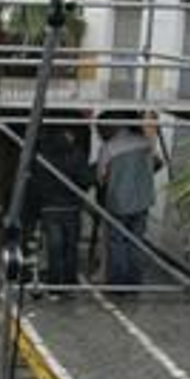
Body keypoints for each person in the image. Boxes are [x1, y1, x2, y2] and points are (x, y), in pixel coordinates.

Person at [96, 109, 160, 286]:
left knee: (117, 243)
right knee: (136, 241)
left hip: (118, 203)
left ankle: (118, 283)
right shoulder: (144, 143)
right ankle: (134, 281)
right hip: (142, 201)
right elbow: (156, 164)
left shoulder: (109, 148)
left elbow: (101, 177)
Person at [28, 125, 93, 290]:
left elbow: (35, 183)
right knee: (70, 247)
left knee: (54, 247)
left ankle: (54, 282)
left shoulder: (42, 156)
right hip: (71, 207)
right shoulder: (76, 155)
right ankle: (69, 281)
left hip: (49, 207)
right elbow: (85, 180)